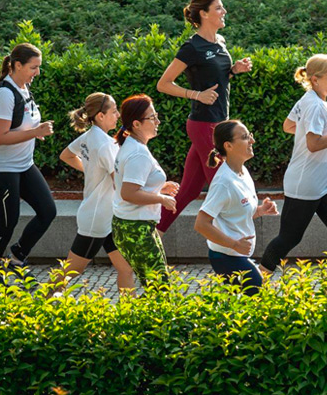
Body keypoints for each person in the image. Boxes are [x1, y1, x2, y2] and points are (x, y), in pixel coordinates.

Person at [156, 0, 253, 234]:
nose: (224, 12)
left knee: (188, 191)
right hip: (204, 125)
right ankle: (231, 247)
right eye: (219, 8)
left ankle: (150, 235)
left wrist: (233, 71)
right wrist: (196, 95)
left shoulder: (220, 42)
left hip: (220, 123)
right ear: (204, 13)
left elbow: (216, 77)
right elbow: (164, 83)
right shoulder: (192, 47)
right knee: (225, 185)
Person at [260, 54, 327, 276]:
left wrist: (308, 131)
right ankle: (255, 284)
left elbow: (288, 125)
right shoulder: (313, 105)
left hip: (325, 181)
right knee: (290, 238)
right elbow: (313, 144)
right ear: (315, 79)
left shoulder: (311, 99)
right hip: (306, 184)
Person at [0, 43, 57, 284]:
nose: (38, 72)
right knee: (7, 223)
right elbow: (0, 137)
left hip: (23, 165)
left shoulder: (24, 89)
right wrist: (34, 132)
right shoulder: (4, 93)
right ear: (17, 65)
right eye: (34, 67)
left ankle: (16, 259)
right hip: (1, 169)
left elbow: (19, 127)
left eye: (39, 67)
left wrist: (35, 130)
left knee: (47, 211)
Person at [53, 93, 134, 293]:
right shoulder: (106, 144)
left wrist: (91, 170)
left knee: (126, 268)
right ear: (100, 116)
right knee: (70, 271)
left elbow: (66, 155)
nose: (117, 115)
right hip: (97, 219)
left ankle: (129, 315)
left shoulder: (91, 136)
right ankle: (38, 308)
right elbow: (120, 183)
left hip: (106, 216)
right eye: (114, 111)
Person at [194, 120, 279, 296]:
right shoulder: (223, 182)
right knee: (258, 294)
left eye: (250, 136)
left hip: (237, 255)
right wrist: (234, 244)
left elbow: (234, 213)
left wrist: (261, 210)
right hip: (225, 257)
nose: (252, 141)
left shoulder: (242, 172)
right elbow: (201, 224)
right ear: (228, 145)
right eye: (245, 137)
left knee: (243, 306)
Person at [111, 95, 180, 288]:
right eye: (152, 117)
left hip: (133, 226)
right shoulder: (137, 153)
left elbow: (128, 184)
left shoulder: (133, 146)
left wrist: (158, 188)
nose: (158, 121)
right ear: (136, 124)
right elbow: (128, 193)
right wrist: (161, 198)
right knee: (160, 288)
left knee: (157, 284)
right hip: (136, 228)